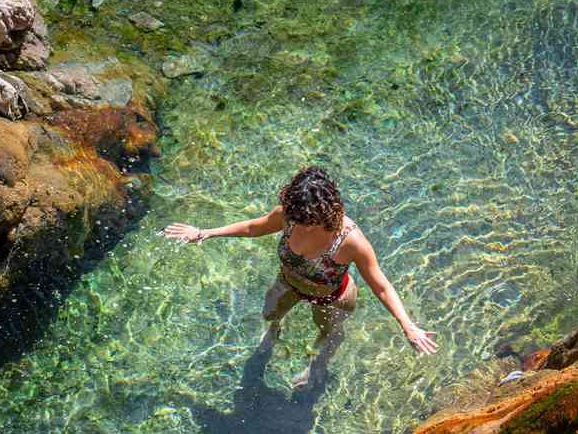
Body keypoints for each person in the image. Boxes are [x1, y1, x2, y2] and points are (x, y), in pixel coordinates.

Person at [165, 166, 438, 388]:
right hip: (288, 283)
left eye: (306, 220)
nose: (299, 225)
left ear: (325, 211)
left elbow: (380, 284)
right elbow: (252, 227)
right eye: (295, 217)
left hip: (332, 297)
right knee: (269, 313)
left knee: (328, 333)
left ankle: (316, 366)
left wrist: (407, 325)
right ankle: (272, 332)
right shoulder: (290, 215)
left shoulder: (351, 240)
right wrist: (204, 233)